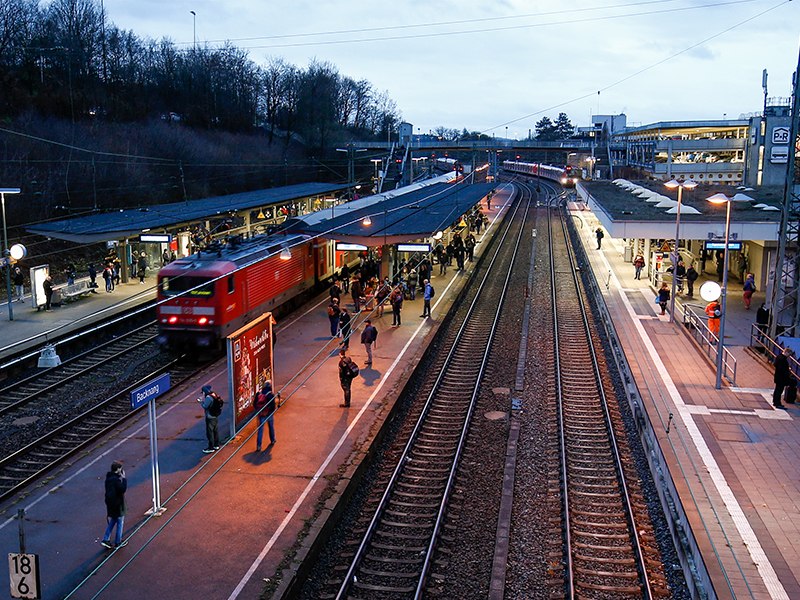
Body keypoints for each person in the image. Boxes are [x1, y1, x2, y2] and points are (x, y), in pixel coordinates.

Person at [100, 461, 127, 549]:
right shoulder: (116, 481)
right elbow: (122, 489)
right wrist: (124, 479)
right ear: (118, 469)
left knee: (113, 520)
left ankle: (106, 538)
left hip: (110, 504)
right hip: (118, 505)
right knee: (120, 522)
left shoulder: (108, 479)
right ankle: (118, 542)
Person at [253, 381, 278, 451]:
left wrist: (259, 410)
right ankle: (272, 440)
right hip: (269, 414)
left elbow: (254, 404)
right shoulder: (270, 395)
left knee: (260, 430)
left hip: (261, 414)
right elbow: (273, 406)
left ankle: (259, 446)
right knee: (271, 427)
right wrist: (270, 411)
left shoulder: (259, 393)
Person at [198, 384, 222, 453]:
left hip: (210, 417)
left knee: (210, 432)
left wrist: (201, 401)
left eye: (203, 392)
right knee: (215, 431)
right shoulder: (214, 394)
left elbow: (205, 406)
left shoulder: (208, 397)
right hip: (215, 415)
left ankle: (210, 447)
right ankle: (216, 444)